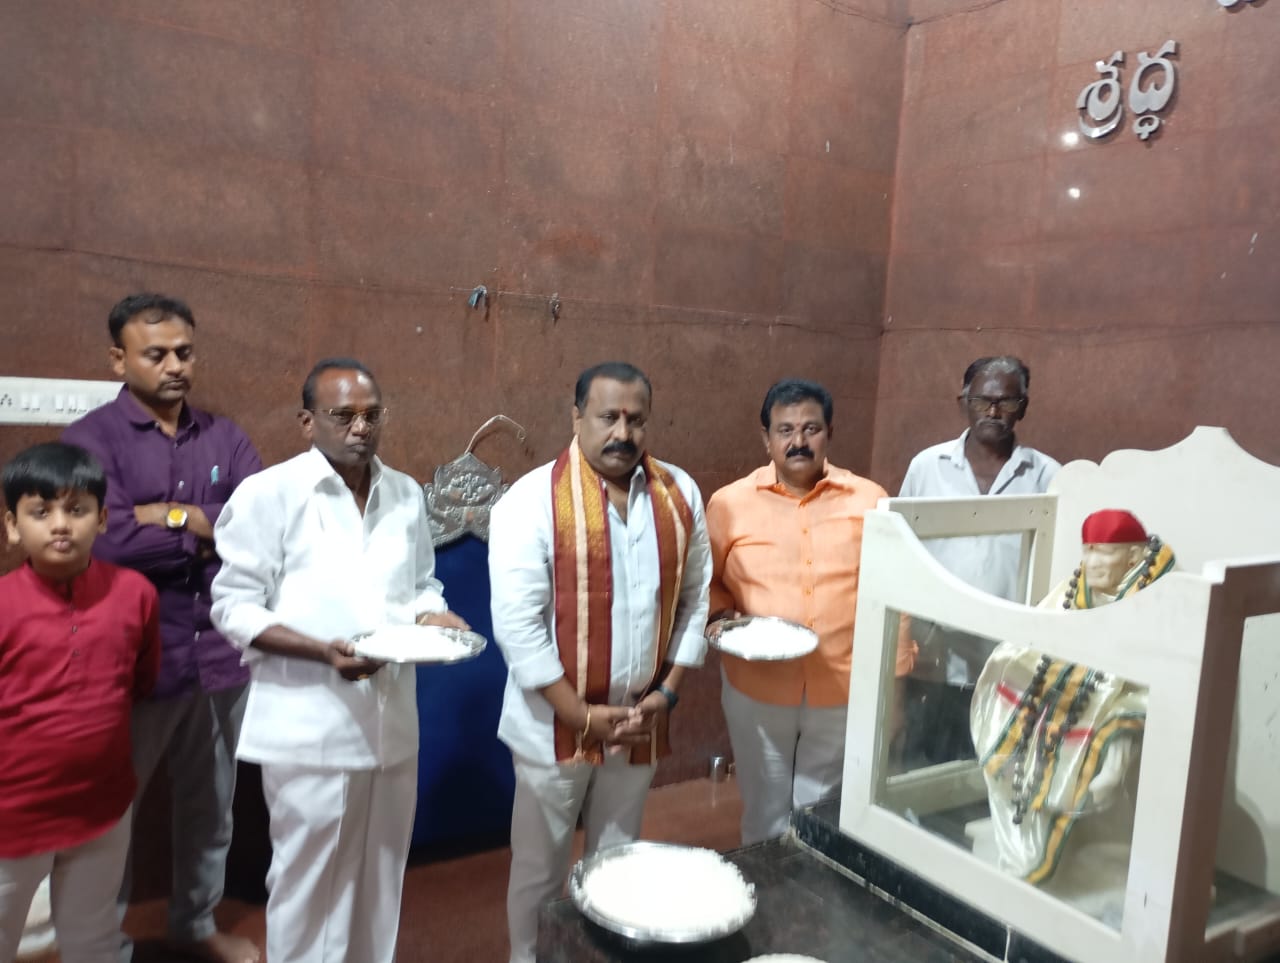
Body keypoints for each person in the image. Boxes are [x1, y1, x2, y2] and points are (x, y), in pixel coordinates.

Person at [210, 358, 467, 963]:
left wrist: (432, 617)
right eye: (343, 415)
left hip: (391, 724)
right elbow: (233, 606)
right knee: (309, 882)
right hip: (310, 727)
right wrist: (322, 652)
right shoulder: (270, 494)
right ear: (308, 421)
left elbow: (420, 585)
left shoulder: (404, 493)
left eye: (372, 415)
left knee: (382, 877)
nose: (360, 428)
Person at [61, 293, 262, 963]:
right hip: (133, 662)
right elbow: (108, 541)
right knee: (109, 816)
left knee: (212, 808)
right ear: (118, 359)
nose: (175, 365)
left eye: (185, 352)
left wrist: (167, 515)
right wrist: (202, 525)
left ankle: (195, 925)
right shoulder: (91, 440)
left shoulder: (226, 438)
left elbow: (259, 529)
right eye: (156, 354)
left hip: (221, 654)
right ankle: (98, 945)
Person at [489, 361, 711, 963]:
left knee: (617, 860)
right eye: (608, 417)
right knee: (540, 868)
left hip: (639, 723)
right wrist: (580, 715)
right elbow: (518, 626)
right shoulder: (532, 500)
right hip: (553, 724)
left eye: (636, 420)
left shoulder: (678, 495)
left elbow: (695, 600)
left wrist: (666, 695)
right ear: (576, 417)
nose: (623, 433)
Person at [706, 378, 913, 845]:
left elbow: (895, 593)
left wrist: (895, 683)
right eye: (785, 430)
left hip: (841, 685)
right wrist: (717, 617)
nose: (798, 441)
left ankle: (808, 885)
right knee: (765, 809)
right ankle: (766, 885)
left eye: (811, 429)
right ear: (766, 438)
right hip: (757, 687)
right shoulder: (730, 504)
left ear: (829, 433)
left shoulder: (870, 500)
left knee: (820, 808)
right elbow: (706, 582)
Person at [0, 442, 161, 962]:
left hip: (103, 808)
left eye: (76, 509)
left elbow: (140, 680)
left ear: (103, 519)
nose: (60, 525)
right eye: (40, 512)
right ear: (12, 526)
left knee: (93, 939)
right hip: (11, 817)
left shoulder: (135, 594)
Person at [971, 509, 1174, 888]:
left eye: (1103, 553)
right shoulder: (1075, 586)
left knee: (1110, 722)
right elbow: (1038, 630)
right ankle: (1026, 823)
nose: (1091, 562)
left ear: (1133, 556)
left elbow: (1153, 676)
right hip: (1062, 689)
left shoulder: (1157, 599)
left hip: (1120, 698)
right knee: (1012, 687)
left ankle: (1069, 815)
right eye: (1088, 551)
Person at [897, 356, 1061, 767]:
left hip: (1009, 658)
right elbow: (902, 552)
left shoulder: (1047, 476)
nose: (993, 411)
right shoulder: (927, 467)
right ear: (963, 402)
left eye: (1006, 402)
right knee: (923, 765)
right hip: (935, 656)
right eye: (982, 400)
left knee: (992, 767)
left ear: (1023, 407)